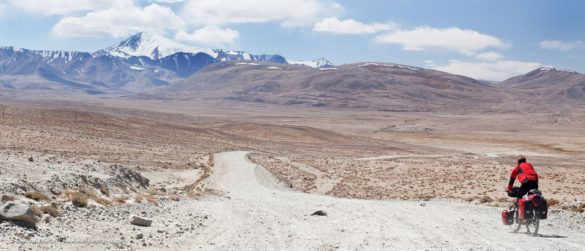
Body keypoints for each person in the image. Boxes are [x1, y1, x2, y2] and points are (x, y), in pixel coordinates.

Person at [507, 155, 539, 221]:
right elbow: (533, 174)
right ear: (525, 161)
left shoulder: (517, 167)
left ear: (518, 162)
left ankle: (522, 217)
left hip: (526, 182)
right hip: (535, 183)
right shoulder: (529, 165)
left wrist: (509, 189)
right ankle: (531, 215)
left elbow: (512, 179)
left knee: (519, 196)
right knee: (531, 197)